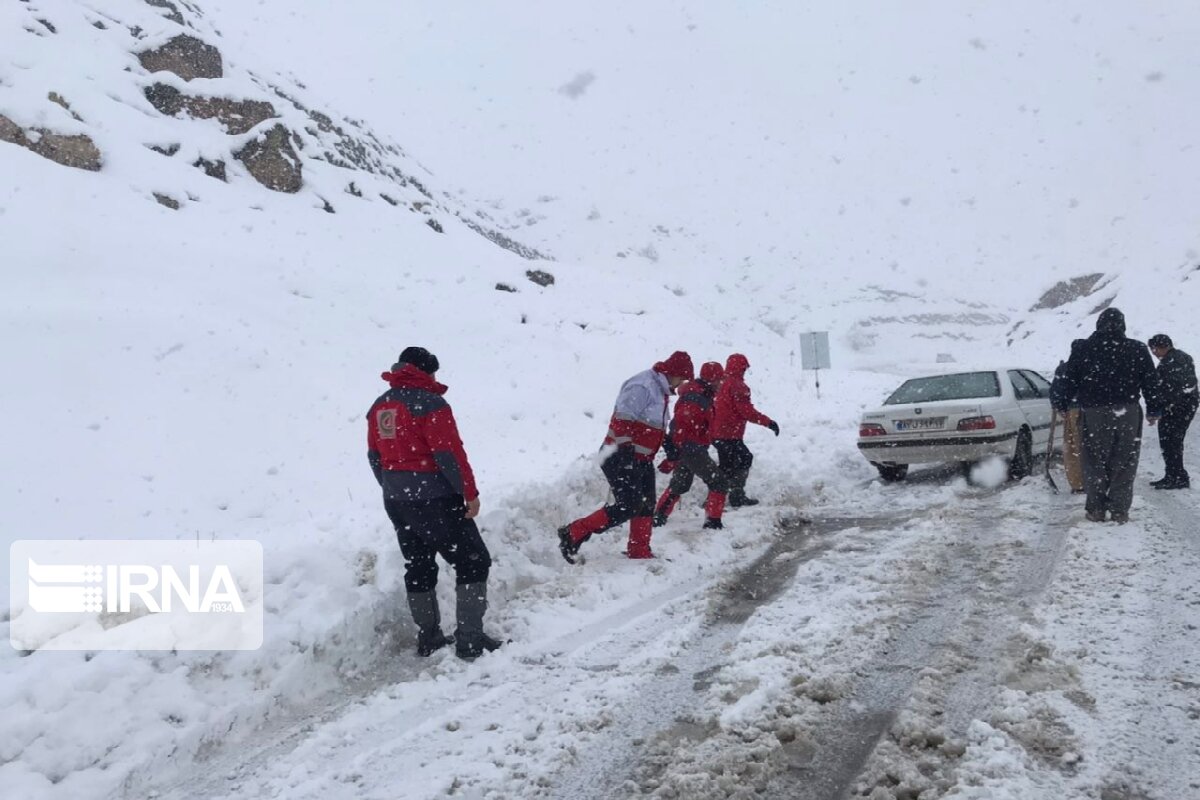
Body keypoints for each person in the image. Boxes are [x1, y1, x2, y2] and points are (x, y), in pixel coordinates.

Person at [366, 347, 502, 659]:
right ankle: (470, 639)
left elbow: (374, 456)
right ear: (425, 372)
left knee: (419, 564)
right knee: (473, 560)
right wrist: (469, 492)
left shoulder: (380, 406)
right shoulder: (430, 403)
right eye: (433, 373)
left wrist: (393, 487)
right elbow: (448, 454)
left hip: (398, 500)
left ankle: (429, 638)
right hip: (435, 497)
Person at [558, 351, 695, 562]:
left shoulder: (661, 392)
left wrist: (668, 445)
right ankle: (574, 532)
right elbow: (622, 420)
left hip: (641, 458)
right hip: (618, 455)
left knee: (646, 503)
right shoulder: (643, 386)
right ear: (673, 372)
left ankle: (639, 550)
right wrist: (626, 454)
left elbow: (653, 425)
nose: (681, 383)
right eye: (682, 378)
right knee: (628, 505)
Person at [1059, 309, 1162, 523]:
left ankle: (1096, 509)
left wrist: (1062, 403)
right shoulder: (1137, 349)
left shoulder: (1083, 348)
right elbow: (1150, 382)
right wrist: (1153, 409)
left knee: (1094, 460)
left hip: (1094, 411)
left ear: (1098, 324)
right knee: (1125, 460)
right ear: (1123, 326)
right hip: (1128, 411)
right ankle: (1119, 510)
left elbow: (1069, 378)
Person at [653, 361, 729, 529]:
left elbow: (698, 425)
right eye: (719, 380)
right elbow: (681, 426)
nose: (721, 383)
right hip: (691, 449)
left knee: (680, 484)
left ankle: (659, 517)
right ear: (711, 380)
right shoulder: (696, 398)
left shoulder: (701, 394)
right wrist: (679, 452)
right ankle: (713, 522)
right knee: (719, 482)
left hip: (689, 448)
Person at [711, 353, 779, 507]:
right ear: (741, 368)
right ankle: (732, 496)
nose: (745, 371)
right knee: (743, 459)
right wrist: (768, 423)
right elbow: (746, 412)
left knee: (728, 464)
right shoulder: (738, 386)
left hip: (716, 432)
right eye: (744, 368)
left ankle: (720, 497)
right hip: (729, 434)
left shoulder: (720, 383)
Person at [1148, 334, 1198, 489]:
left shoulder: (1168, 364)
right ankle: (1175, 475)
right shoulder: (1183, 357)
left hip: (1176, 408)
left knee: (1169, 442)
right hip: (1187, 405)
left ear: (1162, 347)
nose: (1154, 353)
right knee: (1174, 441)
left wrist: (1160, 408)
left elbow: (1169, 389)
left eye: (1154, 349)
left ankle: (1176, 477)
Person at [1049, 340, 1086, 494]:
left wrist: (1059, 406)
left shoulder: (1065, 368)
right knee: (1091, 448)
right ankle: (1096, 481)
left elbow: (1056, 391)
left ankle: (1078, 483)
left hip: (1072, 411)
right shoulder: (1092, 367)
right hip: (1093, 410)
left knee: (1073, 448)